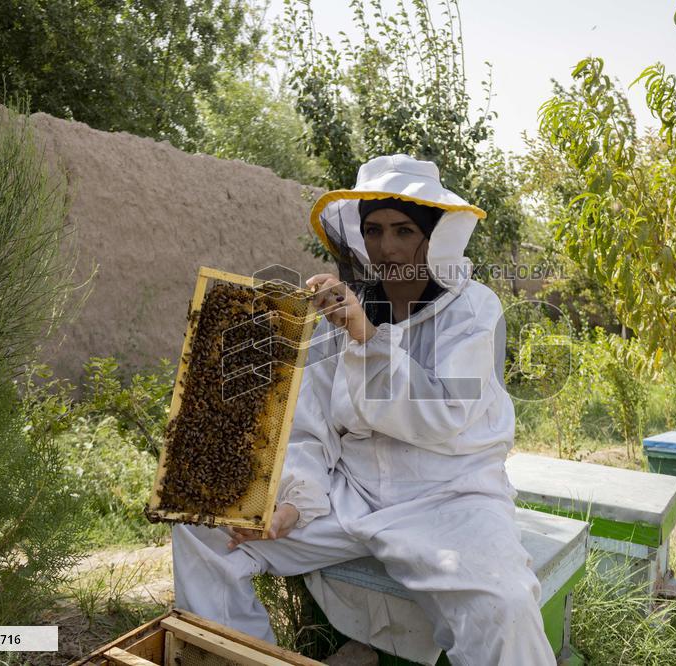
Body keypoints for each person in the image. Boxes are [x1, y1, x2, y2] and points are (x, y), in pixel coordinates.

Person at [172, 154, 557, 666]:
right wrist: (294, 502)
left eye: (403, 230)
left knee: (505, 604)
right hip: (351, 496)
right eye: (373, 229)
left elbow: (446, 412)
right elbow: (309, 427)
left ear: (434, 235)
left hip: (449, 497)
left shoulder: (474, 309)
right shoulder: (344, 307)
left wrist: (366, 337)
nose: (386, 246)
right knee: (203, 527)